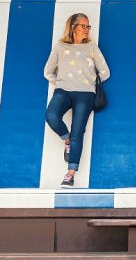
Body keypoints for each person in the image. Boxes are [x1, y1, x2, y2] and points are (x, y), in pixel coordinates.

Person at [44, 13, 110, 187]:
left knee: (78, 131)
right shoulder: (60, 47)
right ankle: (67, 139)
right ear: (73, 27)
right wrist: (61, 81)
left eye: (88, 26)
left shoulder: (91, 47)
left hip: (86, 93)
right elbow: (48, 71)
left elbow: (105, 72)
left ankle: (70, 174)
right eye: (83, 26)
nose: (87, 30)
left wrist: (88, 81)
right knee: (51, 115)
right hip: (63, 90)